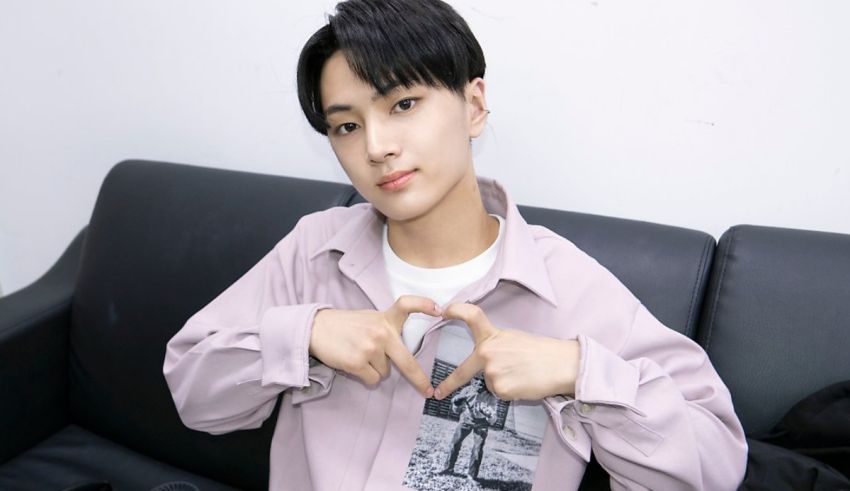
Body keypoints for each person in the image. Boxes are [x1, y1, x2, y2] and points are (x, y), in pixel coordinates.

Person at [163, 0, 748, 489]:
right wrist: (306, 335)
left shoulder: (567, 286)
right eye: (347, 125)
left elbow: (715, 464)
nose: (376, 146)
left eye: (403, 105)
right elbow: (195, 396)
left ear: (472, 106)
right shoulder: (315, 249)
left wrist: (578, 371)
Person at [439, 378, 499, 480]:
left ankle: (472, 476)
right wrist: (456, 404)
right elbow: (456, 410)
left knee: (477, 448)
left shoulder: (491, 397)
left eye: (483, 381)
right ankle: (448, 468)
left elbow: (493, 419)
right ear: (472, 380)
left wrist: (488, 414)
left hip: (482, 423)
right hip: (466, 418)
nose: (479, 383)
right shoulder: (467, 390)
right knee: (455, 443)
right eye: (477, 379)